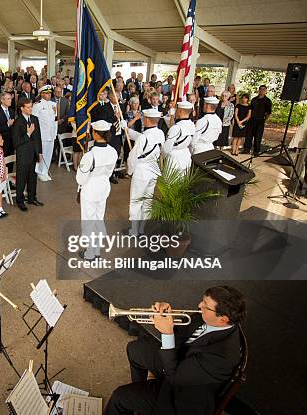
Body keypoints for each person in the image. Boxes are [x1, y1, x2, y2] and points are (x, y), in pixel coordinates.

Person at [105, 286, 246, 415]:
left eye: (205, 306)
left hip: (181, 396)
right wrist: (167, 316)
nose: (199, 306)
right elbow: (179, 337)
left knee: (119, 397)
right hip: (180, 361)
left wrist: (167, 334)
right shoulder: (207, 318)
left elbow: (174, 377)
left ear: (223, 319)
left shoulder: (222, 356)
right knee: (134, 349)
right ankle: (140, 389)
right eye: (203, 301)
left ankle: (136, 399)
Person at [76, 120, 118, 257]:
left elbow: (80, 179)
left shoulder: (90, 155)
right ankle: (97, 250)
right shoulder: (113, 151)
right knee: (98, 219)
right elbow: (110, 172)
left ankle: (89, 254)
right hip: (104, 187)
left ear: (95, 134)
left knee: (89, 221)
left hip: (90, 189)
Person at [123, 109, 165, 236]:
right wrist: (127, 130)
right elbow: (141, 137)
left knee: (136, 201)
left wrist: (129, 171)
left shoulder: (144, 137)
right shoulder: (160, 133)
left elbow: (132, 157)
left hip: (141, 172)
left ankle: (134, 231)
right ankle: (142, 229)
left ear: (146, 120)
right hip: (153, 170)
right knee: (147, 200)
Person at [13, 97, 43, 212]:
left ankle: (32, 198)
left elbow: (38, 137)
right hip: (23, 155)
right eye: (28, 107)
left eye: (31, 107)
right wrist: (28, 134)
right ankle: (20, 201)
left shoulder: (35, 119)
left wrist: (39, 152)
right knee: (21, 179)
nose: (31, 109)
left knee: (32, 177)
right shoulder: (17, 122)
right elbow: (16, 143)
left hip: (33, 153)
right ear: (22, 108)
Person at [32, 85, 58, 182]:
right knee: (41, 154)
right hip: (42, 134)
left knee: (48, 154)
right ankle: (38, 171)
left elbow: (55, 120)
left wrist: (54, 133)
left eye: (50, 93)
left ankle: (45, 171)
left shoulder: (53, 104)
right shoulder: (37, 105)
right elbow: (34, 121)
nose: (49, 95)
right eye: (46, 93)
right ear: (42, 94)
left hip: (51, 134)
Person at [162, 101, 196, 173]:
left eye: (177, 109)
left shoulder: (176, 128)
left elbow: (166, 149)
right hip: (186, 158)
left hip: (173, 161)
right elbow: (192, 143)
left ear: (180, 111)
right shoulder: (192, 125)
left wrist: (163, 157)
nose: (175, 111)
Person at [243, 85, 272, 155]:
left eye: (263, 89)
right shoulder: (254, 99)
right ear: (258, 90)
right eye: (260, 89)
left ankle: (256, 151)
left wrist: (264, 120)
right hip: (251, 120)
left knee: (258, 136)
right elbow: (250, 109)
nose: (261, 91)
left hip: (260, 120)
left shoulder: (268, 101)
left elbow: (269, 112)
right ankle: (246, 149)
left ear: (265, 91)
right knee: (248, 136)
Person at [0, 91, 15, 156]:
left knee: (11, 161)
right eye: (8, 99)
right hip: (1, 141)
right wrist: (7, 125)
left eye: (10, 99)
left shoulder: (12, 111)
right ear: (2, 100)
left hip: (11, 141)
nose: (11, 101)